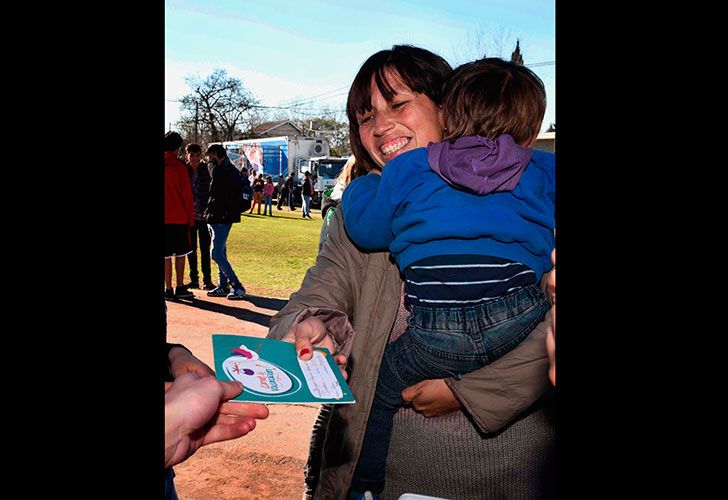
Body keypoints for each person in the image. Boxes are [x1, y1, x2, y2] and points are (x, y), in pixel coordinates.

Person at [268, 45, 555, 500]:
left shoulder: (525, 193)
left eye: (398, 104)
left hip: (513, 476)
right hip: (386, 480)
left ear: (447, 106)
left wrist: (470, 394)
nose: (381, 127)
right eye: (365, 117)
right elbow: (308, 301)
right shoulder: (355, 218)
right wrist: (309, 327)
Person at [203, 144, 247, 300]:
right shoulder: (227, 169)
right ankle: (223, 285)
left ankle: (237, 285)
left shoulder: (226, 170)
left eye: (209, 156)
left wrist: (212, 162)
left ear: (215, 155)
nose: (207, 160)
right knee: (221, 252)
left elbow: (215, 175)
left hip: (223, 217)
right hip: (216, 216)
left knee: (215, 253)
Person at [164, 131, 195, 301]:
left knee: (166, 255)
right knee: (181, 253)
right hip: (179, 217)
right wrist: (190, 219)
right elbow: (187, 196)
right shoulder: (180, 167)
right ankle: (180, 286)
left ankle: (168, 288)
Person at [185, 143, 215, 291]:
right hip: (189, 217)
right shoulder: (184, 170)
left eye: (197, 155)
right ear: (187, 156)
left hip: (204, 216)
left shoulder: (206, 170)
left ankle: (207, 280)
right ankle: (193, 279)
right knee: (191, 250)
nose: (195, 158)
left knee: (205, 249)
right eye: (192, 155)